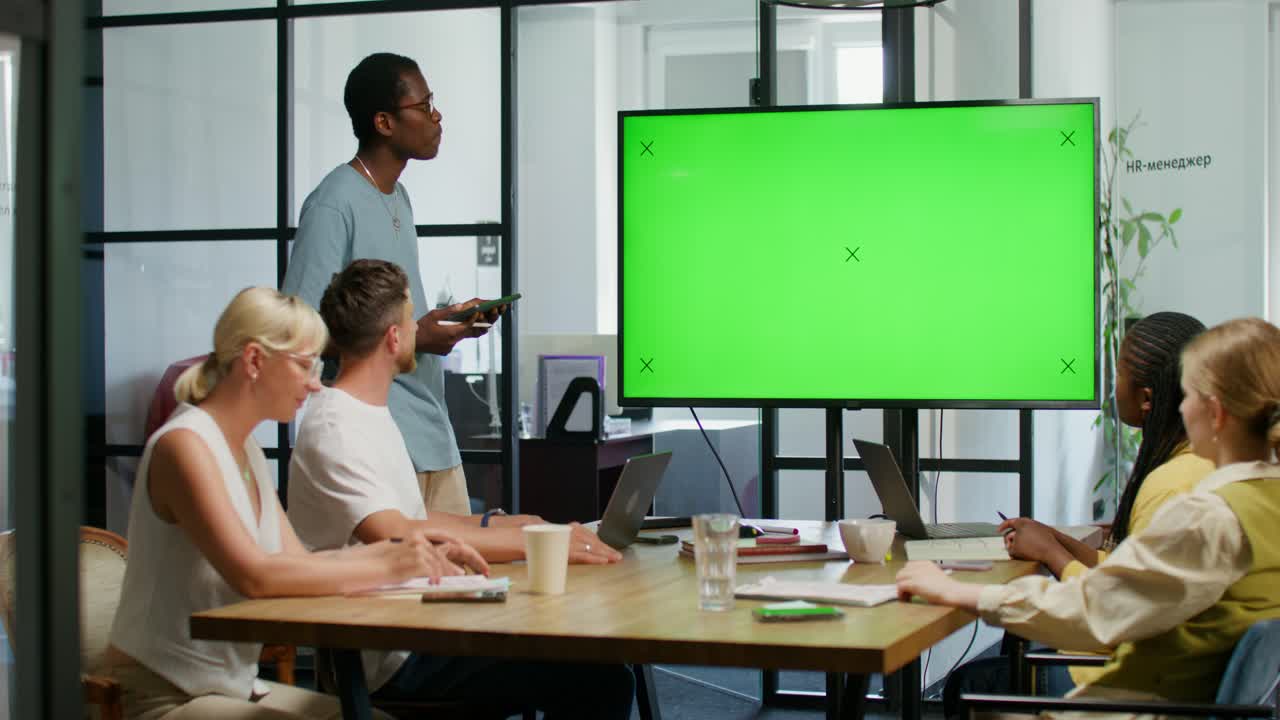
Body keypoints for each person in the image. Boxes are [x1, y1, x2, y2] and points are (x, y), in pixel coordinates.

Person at [104, 287, 480, 720]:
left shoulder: (244, 451)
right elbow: (256, 575)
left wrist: (412, 554)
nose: (316, 382)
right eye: (305, 364)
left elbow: (299, 562)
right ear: (254, 361)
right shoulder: (184, 446)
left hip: (231, 689)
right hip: (163, 696)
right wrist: (394, 563)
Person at [287, 259, 633, 718]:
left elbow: (414, 517)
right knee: (597, 679)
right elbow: (396, 533)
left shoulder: (367, 411)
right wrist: (537, 542)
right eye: (411, 319)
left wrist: (506, 523)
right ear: (394, 337)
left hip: (423, 620)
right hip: (391, 654)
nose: (417, 329)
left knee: (592, 653)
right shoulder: (336, 425)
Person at [899, 316, 1280, 716]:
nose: (1180, 407)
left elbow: (1097, 610)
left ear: (1216, 413)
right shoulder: (1259, 499)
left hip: (1136, 706)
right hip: (1195, 702)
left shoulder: (1209, 517)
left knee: (974, 691)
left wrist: (957, 592)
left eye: (1186, 395)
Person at [943, 312, 1213, 712]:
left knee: (968, 682)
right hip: (1166, 671)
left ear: (1146, 398)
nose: (1111, 384)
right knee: (1014, 645)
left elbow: (1117, 608)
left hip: (1122, 684)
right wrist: (1055, 539)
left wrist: (1054, 556)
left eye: (1118, 370)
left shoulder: (1170, 486)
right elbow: (1130, 573)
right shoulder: (1200, 464)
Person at [283, 52, 500, 518]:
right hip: (377, 436)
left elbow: (399, 323)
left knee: (462, 575)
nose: (436, 116)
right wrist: (419, 336)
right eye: (423, 106)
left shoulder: (399, 195)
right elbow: (300, 334)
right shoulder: (333, 204)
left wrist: (441, 324)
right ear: (383, 121)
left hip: (430, 430)